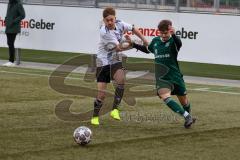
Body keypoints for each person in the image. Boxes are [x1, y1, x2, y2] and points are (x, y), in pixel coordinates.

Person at [131, 20, 196, 128]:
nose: (164, 35)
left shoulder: (173, 41)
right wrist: (134, 45)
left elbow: (179, 43)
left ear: (170, 31)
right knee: (165, 96)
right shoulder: (156, 41)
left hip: (175, 76)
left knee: (184, 101)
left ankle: (187, 117)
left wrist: (174, 34)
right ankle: (187, 116)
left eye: (166, 33)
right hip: (162, 78)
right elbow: (148, 49)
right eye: (161, 33)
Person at [91, 7, 148, 125]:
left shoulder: (120, 24)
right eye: (107, 20)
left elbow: (133, 28)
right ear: (104, 21)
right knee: (101, 95)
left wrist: (144, 40)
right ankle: (95, 116)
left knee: (121, 80)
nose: (110, 22)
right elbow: (118, 48)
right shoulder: (104, 32)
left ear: (115, 18)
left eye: (111, 19)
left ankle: (115, 109)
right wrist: (133, 44)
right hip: (103, 61)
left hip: (115, 58)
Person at [3, 0, 25, 67]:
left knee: (11, 43)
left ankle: (11, 61)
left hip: (14, 27)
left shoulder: (18, 4)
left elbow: (23, 15)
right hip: (8, 26)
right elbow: (8, 13)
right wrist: (6, 19)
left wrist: (14, 21)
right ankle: (11, 61)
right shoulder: (9, 3)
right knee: (9, 43)